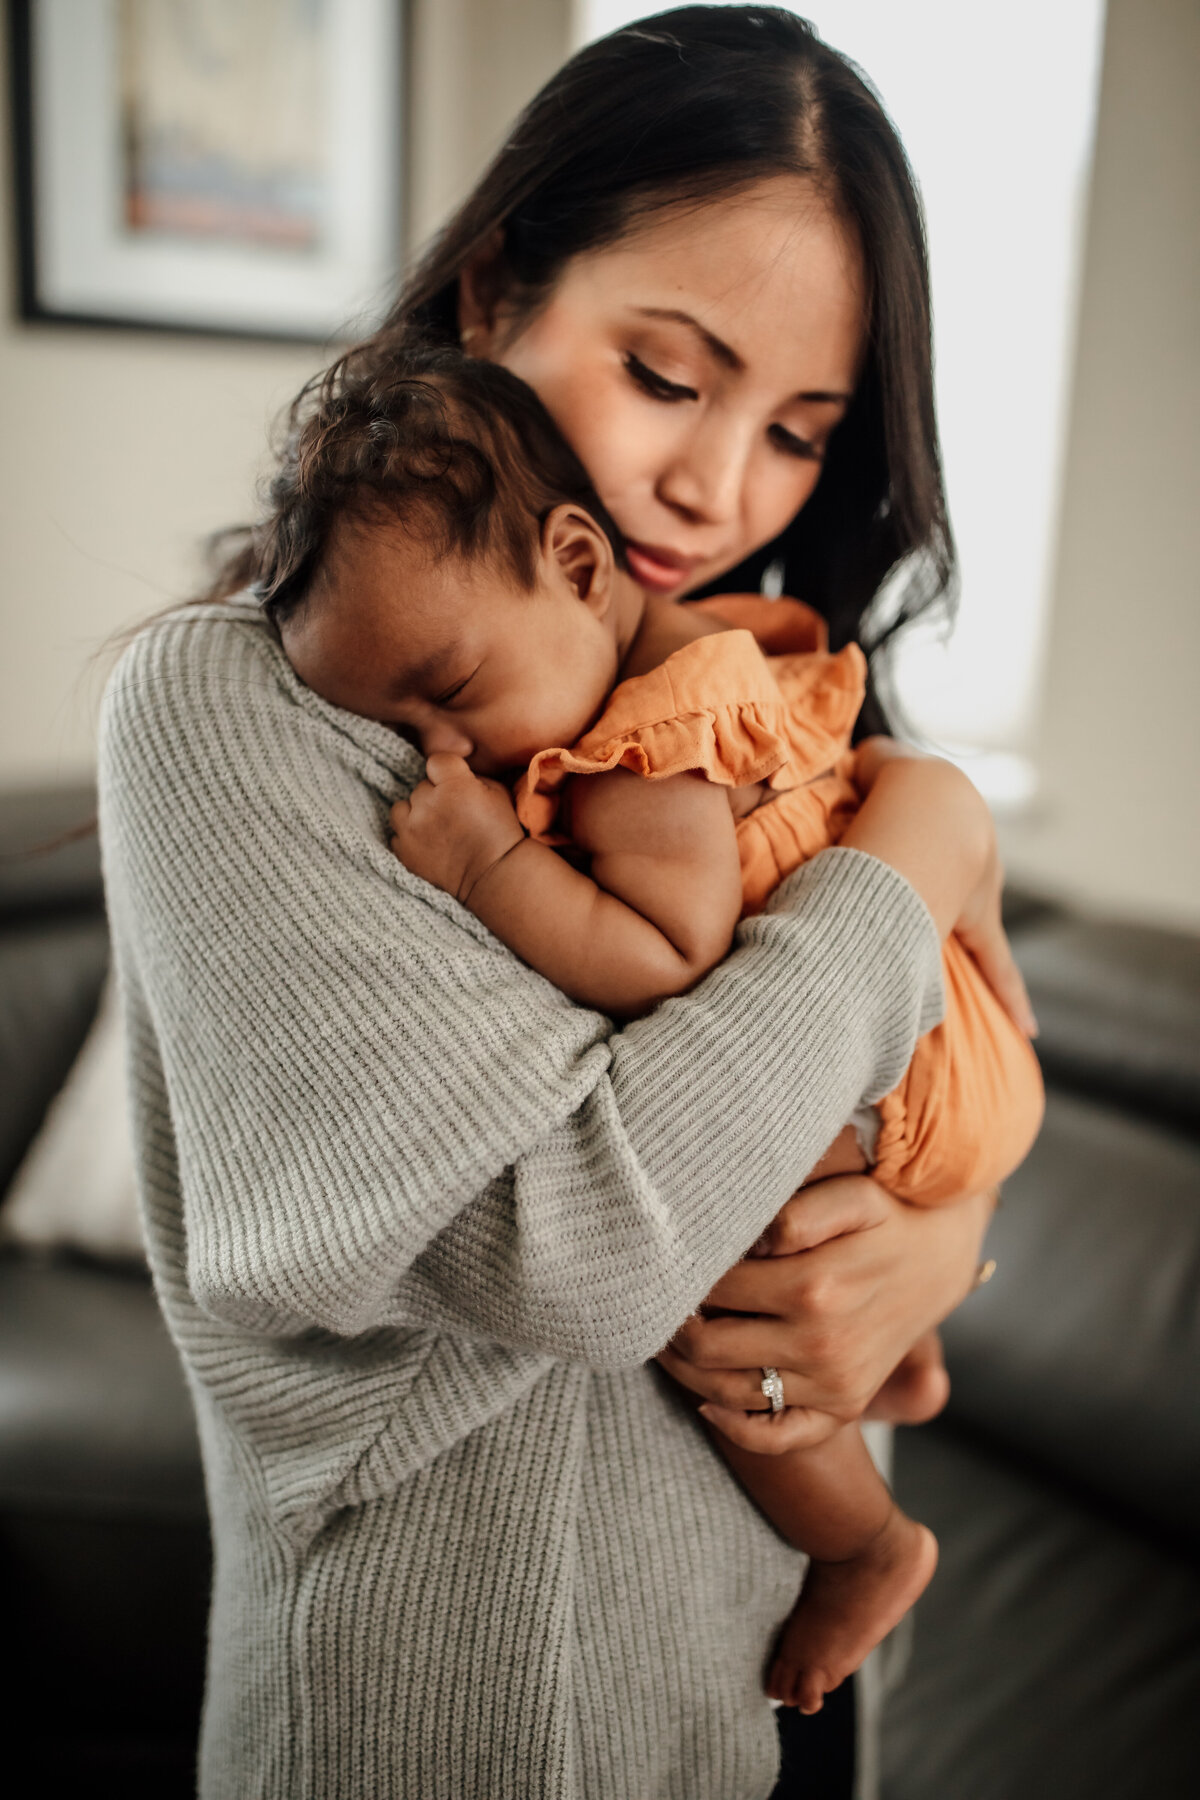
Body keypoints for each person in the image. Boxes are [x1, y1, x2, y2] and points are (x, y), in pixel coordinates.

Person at [99, 10, 1012, 1797]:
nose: (717, 487)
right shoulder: (247, 713)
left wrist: (931, 1260)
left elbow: (954, 1082)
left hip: (775, 1703)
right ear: (498, 284)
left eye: (800, 433)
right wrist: (915, 860)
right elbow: (583, 1243)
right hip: (468, 1725)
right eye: (669, 377)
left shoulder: (750, 702)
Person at [260, 340, 1042, 1717]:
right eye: (394, 723)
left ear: (574, 564)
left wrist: (488, 864)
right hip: (919, 1051)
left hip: (905, 1080)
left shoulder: (649, 740)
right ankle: (897, 1357)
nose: (438, 754)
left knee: (723, 1312)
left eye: (447, 691)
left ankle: (864, 1545)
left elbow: (669, 963)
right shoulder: (627, 669)